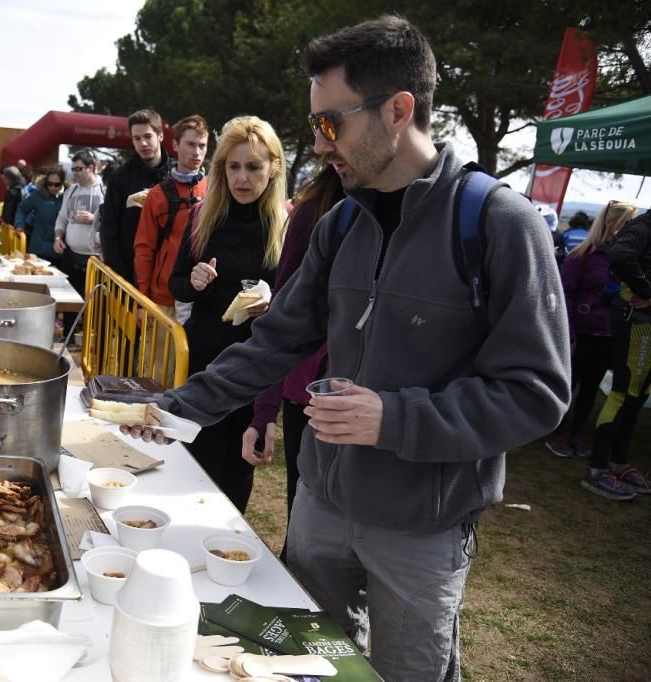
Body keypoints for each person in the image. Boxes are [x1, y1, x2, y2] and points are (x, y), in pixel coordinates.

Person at [123, 17, 569, 681]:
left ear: (398, 109)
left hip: (423, 526)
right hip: (319, 509)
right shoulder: (342, 222)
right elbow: (275, 341)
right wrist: (175, 411)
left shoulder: (499, 222)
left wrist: (395, 418)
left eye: (332, 123)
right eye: (314, 125)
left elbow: (537, 393)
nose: (320, 142)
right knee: (300, 665)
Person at [167, 115, 287, 514]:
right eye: (233, 166)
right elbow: (176, 282)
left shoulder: (283, 225)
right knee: (189, 465)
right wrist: (195, 281)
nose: (242, 178)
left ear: (273, 168)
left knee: (234, 475)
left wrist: (272, 303)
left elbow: (296, 306)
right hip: (202, 358)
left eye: (253, 166)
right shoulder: (205, 215)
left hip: (251, 367)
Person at [242, 164, 344, 562]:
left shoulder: (424, 210)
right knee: (304, 535)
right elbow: (283, 319)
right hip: (312, 400)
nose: (322, 144)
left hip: (387, 414)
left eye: (333, 126)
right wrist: (264, 411)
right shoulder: (316, 210)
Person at [546, 200, 639, 459]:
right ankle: (556, 432)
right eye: (629, 223)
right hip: (582, 331)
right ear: (612, 222)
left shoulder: (628, 258)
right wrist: (570, 333)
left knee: (591, 387)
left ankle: (576, 433)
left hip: (610, 333)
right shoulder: (582, 255)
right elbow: (564, 295)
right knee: (570, 383)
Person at [585, 209, 651, 500]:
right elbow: (621, 253)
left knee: (639, 395)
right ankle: (597, 469)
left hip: (645, 324)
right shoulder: (645, 225)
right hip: (636, 321)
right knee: (623, 393)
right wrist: (646, 290)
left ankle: (618, 462)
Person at [133, 114, 210, 319]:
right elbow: (144, 249)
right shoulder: (158, 195)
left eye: (202, 145)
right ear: (175, 145)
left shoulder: (215, 191)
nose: (197, 152)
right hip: (163, 300)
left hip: (204, 300)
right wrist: (143, 299)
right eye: (190, 144)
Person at [101, 108, 172, 284]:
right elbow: (108, 230)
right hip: (128, 278)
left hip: (167, 278)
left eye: (148, 136)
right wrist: (121, 276)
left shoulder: (176, 176)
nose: (143, 143)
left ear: (160, 136)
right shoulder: (119, 177)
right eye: (137, 138)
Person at [55, 150, 105, 337]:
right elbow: (61, 218)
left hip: (95, 258)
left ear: (91, 167)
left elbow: (111, 221)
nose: (74, 173)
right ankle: (69, 335)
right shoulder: (71, 190)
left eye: (79, 169)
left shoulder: (104, 190)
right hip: (71, 254)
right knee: (70, 300)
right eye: (73, 168)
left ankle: (93, 341)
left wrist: (94, 218)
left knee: (95, 303)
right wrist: (58, 237)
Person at [15, 165, 65, 262]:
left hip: (61, 252)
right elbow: (22, 209)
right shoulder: (38, 195)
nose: (52, 187)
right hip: (38, 251)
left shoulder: (68, 195)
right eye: (49, 184)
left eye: (57, 184)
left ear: (63, 183)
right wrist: (19, 225)